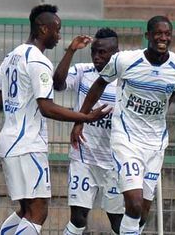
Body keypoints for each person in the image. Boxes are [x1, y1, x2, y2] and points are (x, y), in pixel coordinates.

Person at [0, 4, 110, 235]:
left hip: (9, 142)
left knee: (25, 211)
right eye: (56, 29)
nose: (59, 35)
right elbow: (47, 108)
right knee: (38, 212)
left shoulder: (14, 54)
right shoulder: (39, 61)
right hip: (28, 144)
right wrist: (86, 117)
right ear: (43, 29)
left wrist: (19, 105)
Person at [71, 16, 175, 234]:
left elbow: (171, 93)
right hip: (126, 140)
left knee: (142, 213)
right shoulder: (126, 61)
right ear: (148, 36)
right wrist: (81, 119)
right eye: (158, 33)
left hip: (155, 143)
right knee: (134, 204)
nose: (163, 38)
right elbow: (99, 85)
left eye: (167, 34)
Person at [52, 28, 124, 235]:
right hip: (84, 158)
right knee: (77, 218)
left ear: (116, 53)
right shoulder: (84, 71)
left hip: (113, 162)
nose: (97, 57)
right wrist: (71, 51)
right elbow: (58, 84)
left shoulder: (125, 79)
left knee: (117, 222)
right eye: (94, 51)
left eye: (103, 52)